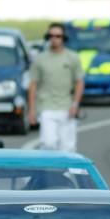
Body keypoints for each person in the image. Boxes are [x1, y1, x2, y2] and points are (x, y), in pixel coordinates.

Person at [28, 22, 84, 151]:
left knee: (68, 148)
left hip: (67, 107)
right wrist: (32, 110)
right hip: (46, 107)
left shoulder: (72, 57)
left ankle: (66, 171)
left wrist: (75, 104)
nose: (54, 39)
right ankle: (45, 171)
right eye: (51, 35)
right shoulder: (40, 59)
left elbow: (79, 82)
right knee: (49, 143)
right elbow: (33, 84)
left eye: (58, 36)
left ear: (63, 37)